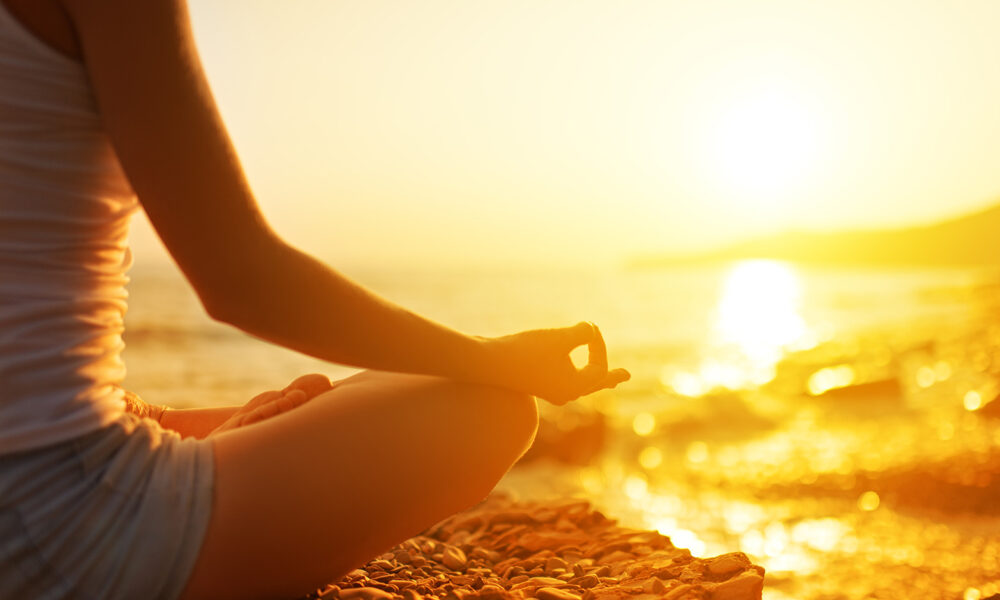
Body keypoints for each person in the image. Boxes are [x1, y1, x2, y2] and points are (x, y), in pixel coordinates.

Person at [0, 1, 630, 598]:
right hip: (60, 524)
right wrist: (496, 358)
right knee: (492, 409)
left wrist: (159, 420)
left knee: (309, 402)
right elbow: (243, 280)